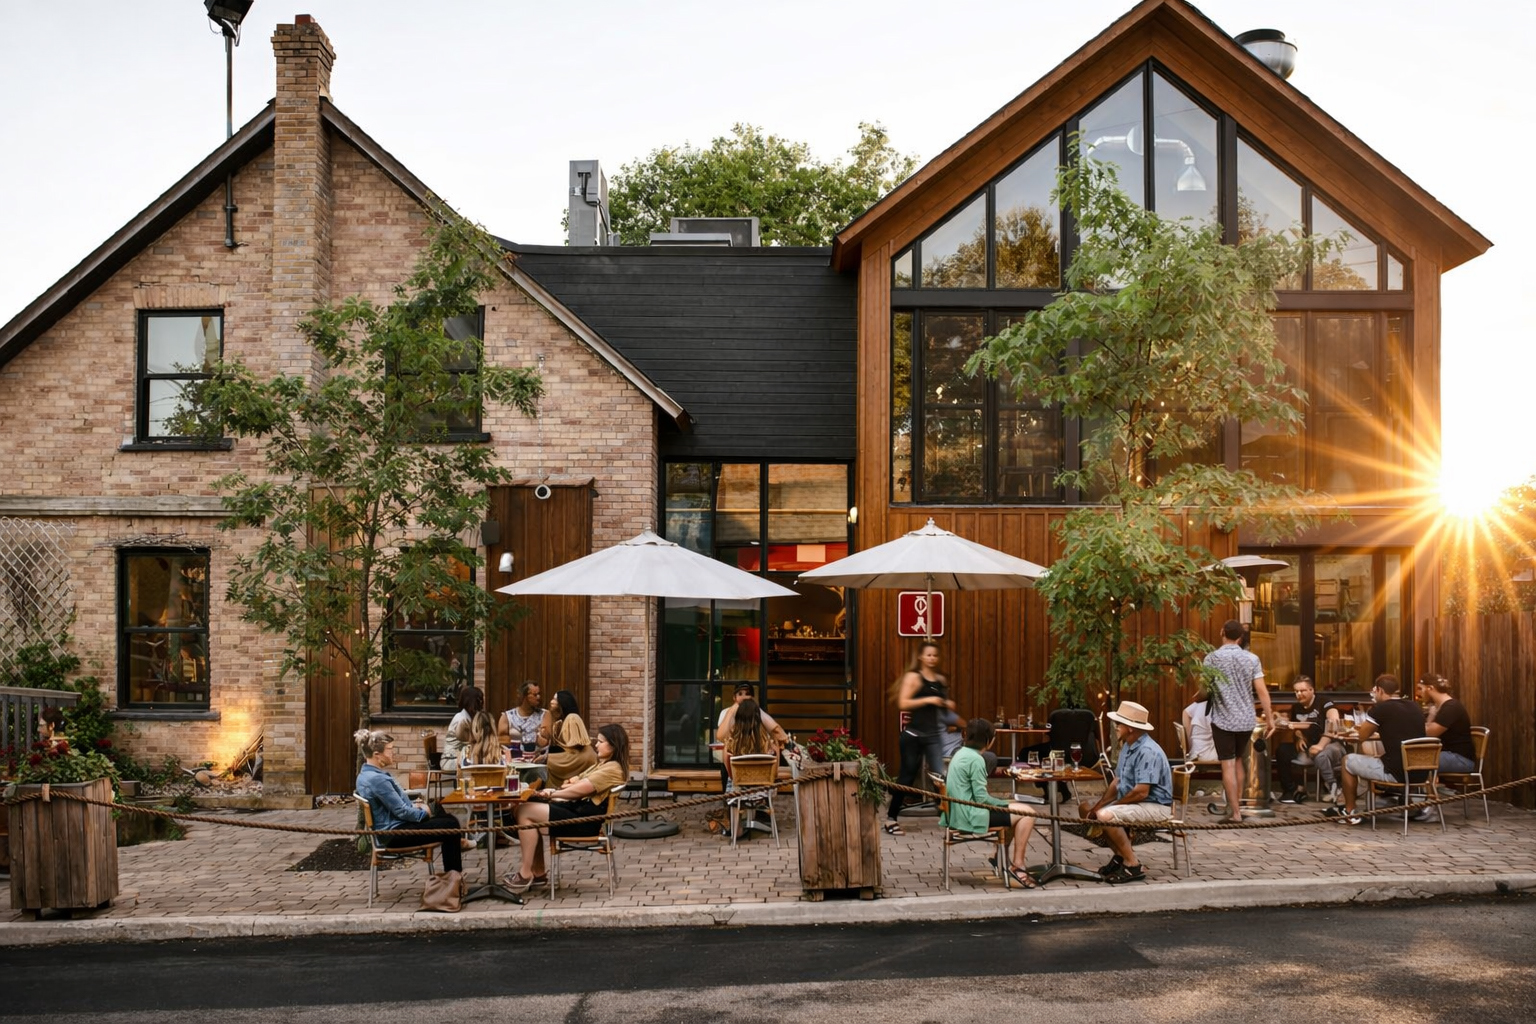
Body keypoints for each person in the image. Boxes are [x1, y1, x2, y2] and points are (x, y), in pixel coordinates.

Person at [503, 723, 629, 893]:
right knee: (524, 809)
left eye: (600, 741)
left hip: (585, 822)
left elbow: (581, 789)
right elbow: (576, 783)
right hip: (577, 811)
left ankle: (526, 873)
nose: (596, 745)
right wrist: (554, 792)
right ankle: (537, 873)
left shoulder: (613, 768)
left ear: (613, 745)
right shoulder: (603, 764)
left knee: (525, 811)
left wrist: (550, 795)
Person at [1076, 700, 1173, 885]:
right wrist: (1097, 808)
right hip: (1139, 802)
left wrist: (1111, 808)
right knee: (1090, 810)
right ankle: (1121, 858)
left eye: (1119, 723)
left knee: (1105, 816)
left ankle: (1132, 864)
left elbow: (1141, 793)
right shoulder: (1128, 745)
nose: (1116, 727)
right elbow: (1118, 782)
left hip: (1156, 806)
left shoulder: (1147, 751)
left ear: (1130, 727)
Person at [353, 728, 465, 883]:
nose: (393, 753)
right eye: (390, 750)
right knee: (450, 825)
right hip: (394, 834)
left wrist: (415, 805)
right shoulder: (378, 780)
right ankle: (454, 880)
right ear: (377, 755)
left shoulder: (364, 775)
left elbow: (397, 805)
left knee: (440, 811)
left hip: (391, 829)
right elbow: (401, 812)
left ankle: (458, 845)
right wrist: (423, 813)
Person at [943, 718, 1041, 889]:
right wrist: (1004, 803)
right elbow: (982, 799)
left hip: (958, 812)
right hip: (970, 815)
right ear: (989, 740)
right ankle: (1018, 865)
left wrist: (1006, 804)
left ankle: (998, 856)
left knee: (1014, 809)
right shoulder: (976, 759)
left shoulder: (960, 754)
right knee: (1028, 814)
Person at [1328, 674, 1427, 825]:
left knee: (1347, 761)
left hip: (1396, 773)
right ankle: (1407, 805)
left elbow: (1362, 736)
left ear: (1379, 690)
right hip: (1421, 772)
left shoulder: (1380, 708)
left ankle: (1349, 811)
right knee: (1378, 757)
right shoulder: (1415, 706)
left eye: (1375, 691)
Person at [1202, 619, 1275, 823]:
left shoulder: (1212, 659)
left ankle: (1234, 812)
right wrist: (1270, 718)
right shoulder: (1252, 659)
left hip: (1223, 719)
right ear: (1241, 637)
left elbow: (1205, 689)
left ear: (1222, 632)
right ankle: (1236, 806)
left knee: (1227, 764)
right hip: (1245, 720)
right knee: (1238, 762)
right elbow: (1262, 691)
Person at [884, 641, 954, 835]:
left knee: (941, 777)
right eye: (928, 655)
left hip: (933, 736)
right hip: (913, 735)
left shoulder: (941, 679)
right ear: (921, 657)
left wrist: (948, 706)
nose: (932, 658)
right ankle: (891, 819)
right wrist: (929, 699)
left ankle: (951, 818)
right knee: (907, 777)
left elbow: (942, 709)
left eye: (935, 655)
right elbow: (903, 702)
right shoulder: (913, 677)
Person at [1276, 675, 1324, 803]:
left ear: (1311, 690)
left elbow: (1315, 725)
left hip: (1321, 744)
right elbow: (1296, 727)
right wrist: (1299, 737)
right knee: (1282, 750)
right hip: (1303, 743)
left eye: (1302, 691)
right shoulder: (1296, 707)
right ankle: (1290, 790)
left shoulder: (1322, 703)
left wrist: (1294, 726)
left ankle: (1328, 787)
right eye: (1296, 691)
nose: (1299, 694)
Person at [1420, 674, 1477, 774]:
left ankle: (1424, 789)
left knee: (1417, 761)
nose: (1419, 693)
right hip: (1448, 755)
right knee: (1414, 758)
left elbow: (1431, 733)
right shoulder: (1441, 707)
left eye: (1420, 688)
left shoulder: (1451, 707)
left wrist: (1430, 717)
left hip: (1460, 758)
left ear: (1430, 688)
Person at [539, 689, 597, 788]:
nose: (551, 701)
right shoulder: (559, 723)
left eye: (555, 699)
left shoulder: (572, 718)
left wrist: (547, 758)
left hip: (582, 759)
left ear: (563, 702)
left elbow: (576, 748)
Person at [498, 680, 546, 756]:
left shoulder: (544, 714)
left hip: (537, 758)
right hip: (515, 759)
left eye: (539, 694)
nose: (538, 697)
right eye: (535, 695)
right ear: (524, 696)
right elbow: (501, 740)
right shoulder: (507, 716)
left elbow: (546, 741)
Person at [443, 685, 484, 768]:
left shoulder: (468, 717)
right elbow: (473, 743)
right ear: (472, 701)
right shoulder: (462, 720)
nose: (482, 703)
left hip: (460, 758)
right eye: (480, 700)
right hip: (451, 761)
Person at [1181, 694, 1218, 762]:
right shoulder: (1217, 707)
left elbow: (1185, 713)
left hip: (1195, 753)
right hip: (1211, 757)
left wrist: (1190, 742)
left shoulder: (1198, 705)